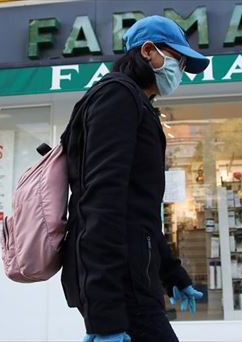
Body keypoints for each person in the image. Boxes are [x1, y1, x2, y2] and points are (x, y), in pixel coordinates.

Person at [59, 16, 210, 342]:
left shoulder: (134, 102)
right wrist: (105, 319)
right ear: (148, 51)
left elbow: (139, 212)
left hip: (134, 278)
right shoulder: (118, 97)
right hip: (121, 285)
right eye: (178, 59)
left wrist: (172, 273)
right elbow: (100, 203)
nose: (180, 70)